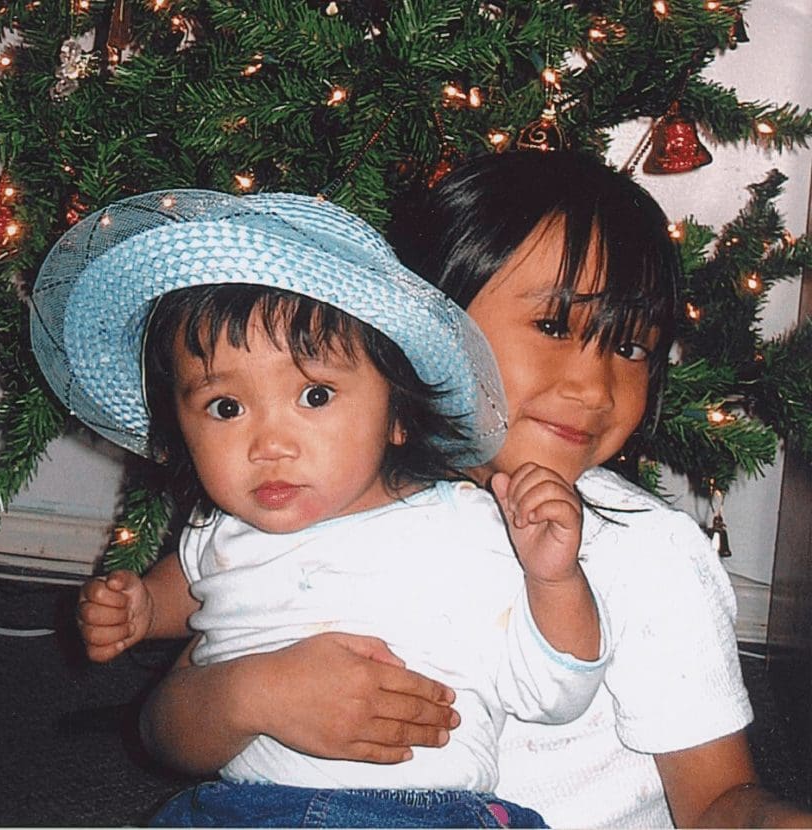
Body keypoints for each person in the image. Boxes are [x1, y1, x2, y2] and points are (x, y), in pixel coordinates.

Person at [78, 153, 812, 828]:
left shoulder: (648, 555)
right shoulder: (315, 497)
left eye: (630, 345)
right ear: (433, 323)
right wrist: (250, 695)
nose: (593, 386)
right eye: (553, 324)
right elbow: (165, 731)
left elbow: (719, 798)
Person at [35, 188, 612, 827]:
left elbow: (554, 694)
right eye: (226, 407)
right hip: (242, 809)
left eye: (314, 395)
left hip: (426, 813)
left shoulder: (467, 524)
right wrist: (143, 608)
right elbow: (194, 588)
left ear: (396, 413)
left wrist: (555, 581)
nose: (270, 445)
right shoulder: (219, 530)